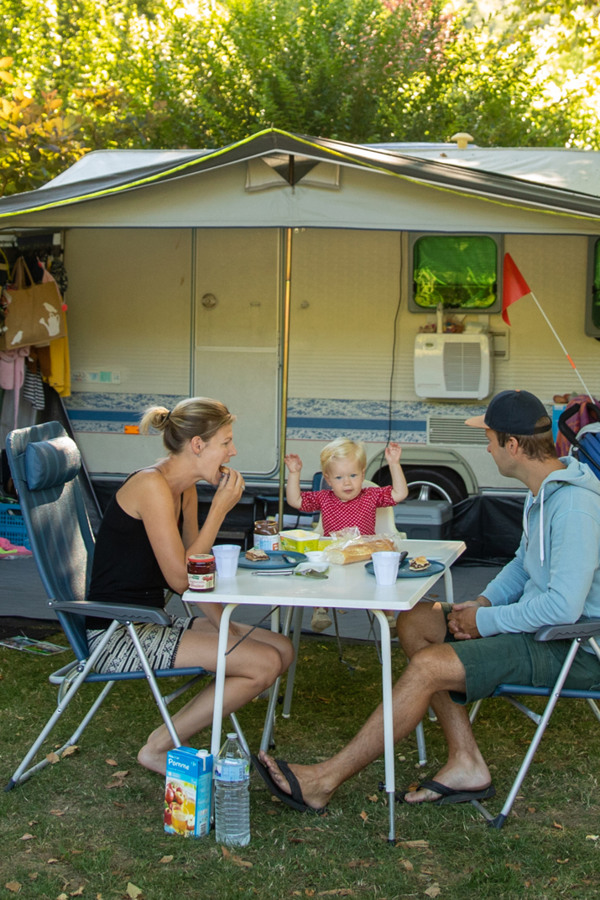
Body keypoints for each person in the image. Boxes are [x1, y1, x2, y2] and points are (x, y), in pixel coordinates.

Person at [254, 389, 600, 812]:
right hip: (537, 628)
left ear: (512, 445)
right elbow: (522, 567)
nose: (487, 448)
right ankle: (466, 762)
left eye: (490, 439)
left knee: (428, 665)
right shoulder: (540, 492)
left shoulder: (575, 505)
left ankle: (324, 780)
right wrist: (484, 603)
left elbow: (564, 607)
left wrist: (484, 624)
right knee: (416, 619)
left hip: (572, 645)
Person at [85, 397, 294, 776]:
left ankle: (188, 727)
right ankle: (158, 747)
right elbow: (183, 577)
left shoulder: (184, 489)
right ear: (198, 445)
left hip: (152, 619)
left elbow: (193, 580)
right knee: (263, 664)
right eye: (226, 443)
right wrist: (220, 511)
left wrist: (224, 627)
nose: (234, 451)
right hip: (119, 632)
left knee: (281, 648)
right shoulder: (151, 485)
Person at [285, 438, 409, 631]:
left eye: (353, 475)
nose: (348, 482)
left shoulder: (370, 495)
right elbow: (296, 500)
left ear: (363, 474)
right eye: (339, 477)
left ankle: (388, 614)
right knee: (320, 571)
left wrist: (394, 464)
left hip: (363, 556)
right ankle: (320, 609)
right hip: (334, 555)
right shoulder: (324, 498)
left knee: (382, 575)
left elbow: (399, 493)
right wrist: (294, 473)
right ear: (328, 479)